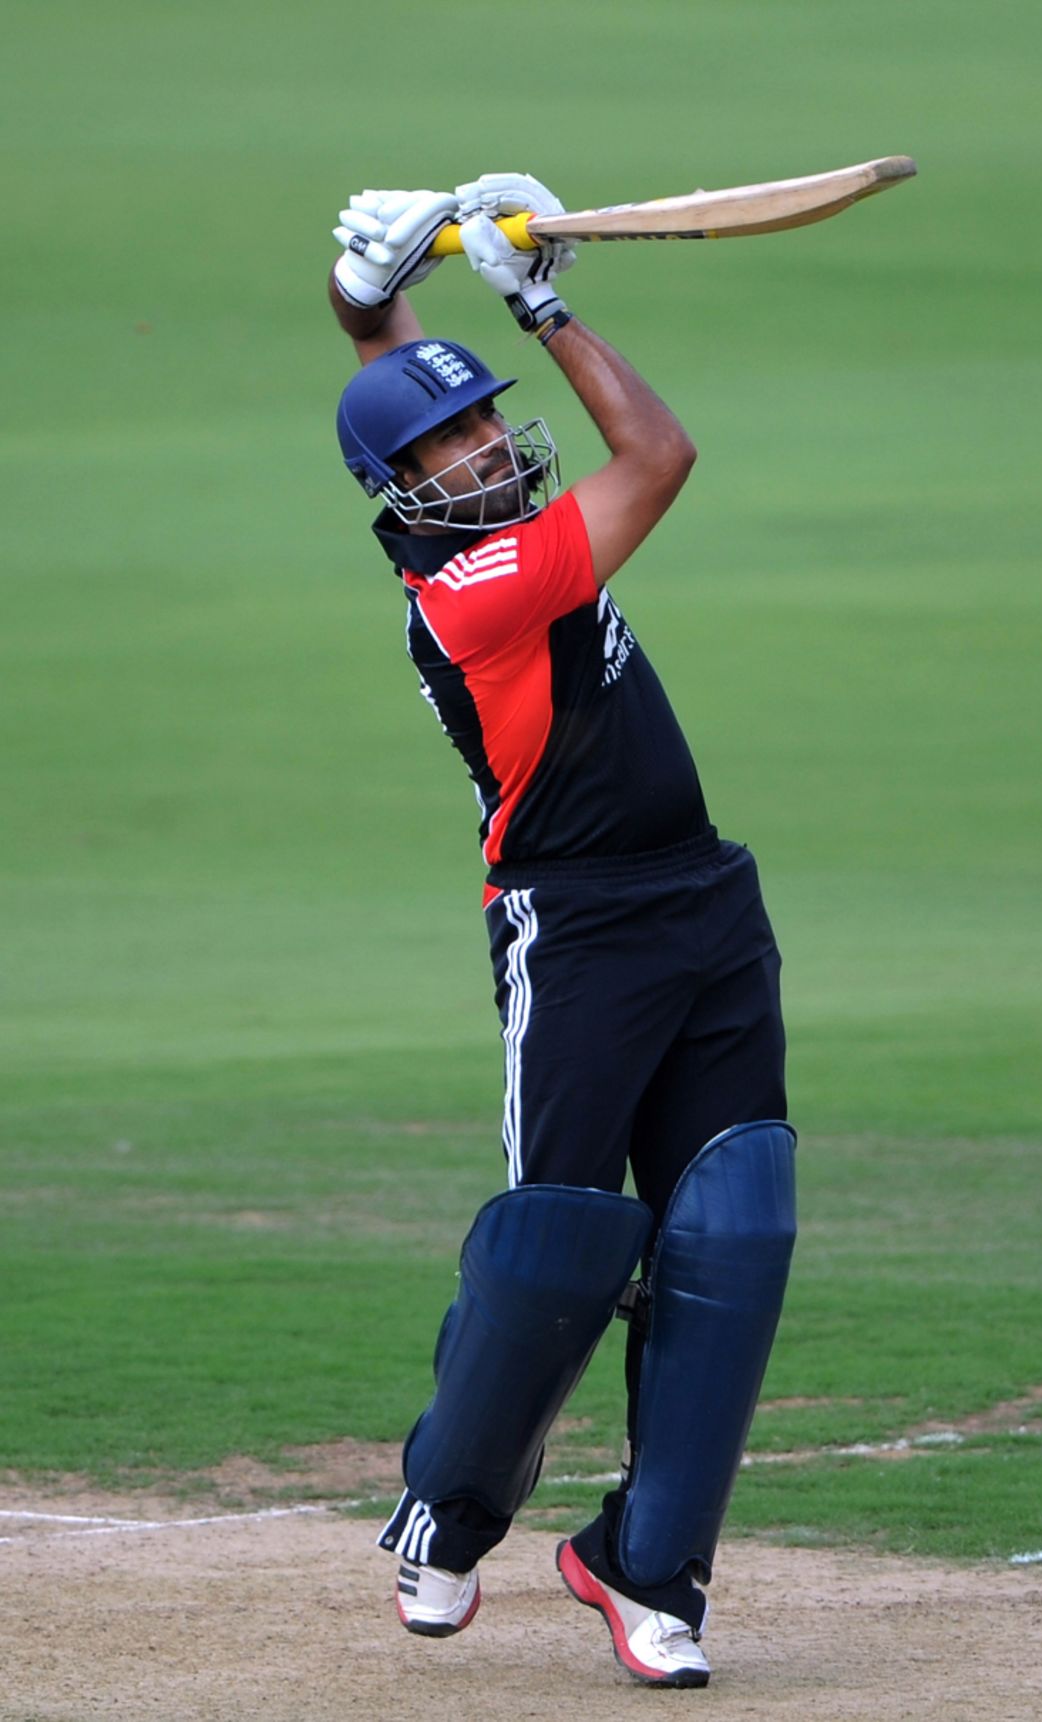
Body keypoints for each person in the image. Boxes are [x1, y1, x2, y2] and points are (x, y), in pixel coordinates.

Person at [329, 173, 796, 1690]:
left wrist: (369, 282)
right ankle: (448, 1518)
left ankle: (647, 1567)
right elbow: (660, 452)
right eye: (448, 444)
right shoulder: (470, 588)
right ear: (406, 490)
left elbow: (388, 376)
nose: (480, 445)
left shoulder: (483, 507)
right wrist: (539, 293)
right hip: (575, 926)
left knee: (739, 1222)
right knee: (556, 1247)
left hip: (704, 901)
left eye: (484, 418)